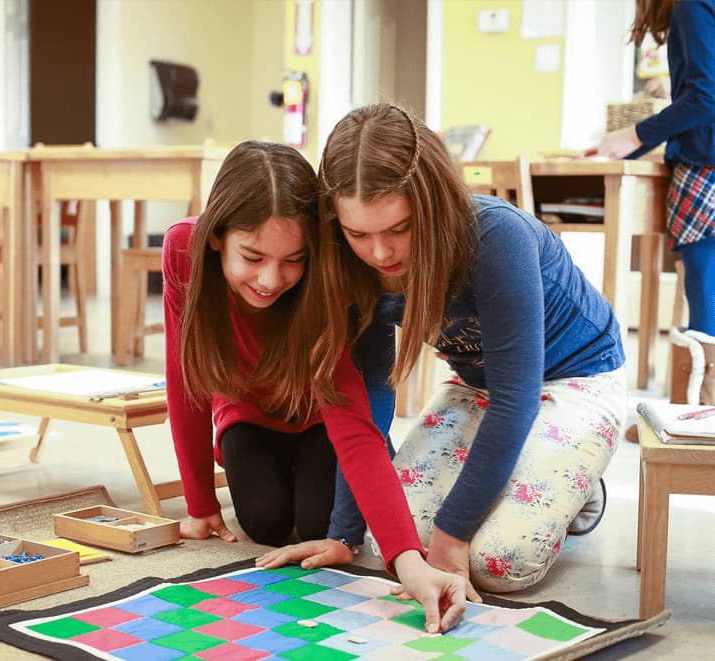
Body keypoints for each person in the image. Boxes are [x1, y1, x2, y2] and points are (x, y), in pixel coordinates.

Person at [263, 104, 627, 599]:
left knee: (496, 562)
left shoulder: (496, 234)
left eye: (399, 229)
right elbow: (363, 407)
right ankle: (529, 476)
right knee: (392, 537)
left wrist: (454, 537)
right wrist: (344, 533)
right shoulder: (349, 263)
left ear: (431, 203)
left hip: (575, 378)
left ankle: (580, 491)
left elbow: (516, 398)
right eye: (358, 234)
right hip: (475, 386)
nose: (381, 254)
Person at [163, 140, 465, 632]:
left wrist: (407, 562)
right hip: (249, 413)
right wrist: (199, 505)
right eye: (253, 256)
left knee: (320, 528)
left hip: (323, 416)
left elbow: (354, 423)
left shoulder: (328, 275)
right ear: (217, 236)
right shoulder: (183, 249)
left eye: (292, 260)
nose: (270, 279)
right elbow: (184, 379)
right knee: (262, 523)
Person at [594, 0, 715, 404]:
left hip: (706, 167)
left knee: (705, 298)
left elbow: (703, 99)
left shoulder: (691, 7)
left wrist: (633, 136)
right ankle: (690, 416)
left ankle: (695, 425)